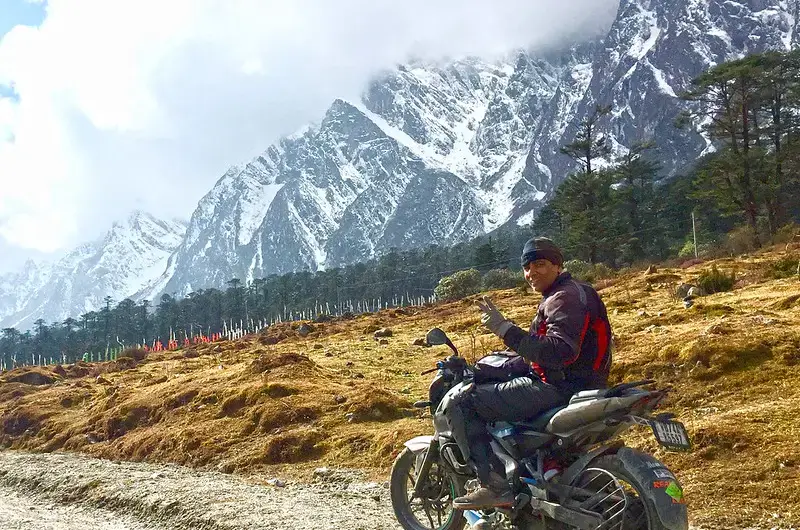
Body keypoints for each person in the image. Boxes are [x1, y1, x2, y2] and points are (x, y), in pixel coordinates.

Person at [450, 237, 613, 510]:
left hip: (559, 387)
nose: (531, 272)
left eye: (540, 264)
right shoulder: (572, 292)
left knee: (464, 403)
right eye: (526, 266)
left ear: (557, 265)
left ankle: (494, 486)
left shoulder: (564, 298)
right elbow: (540, 354)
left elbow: (558, 353)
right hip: (580, 383)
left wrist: (504, 329)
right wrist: (490, 369)